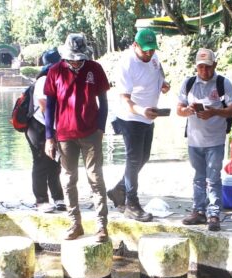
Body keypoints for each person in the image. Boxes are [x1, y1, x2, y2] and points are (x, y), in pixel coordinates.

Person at [43, 33, 110, 242]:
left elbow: (103, 102)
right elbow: (50, 106)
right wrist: (49, 136)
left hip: (91, 132)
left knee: (95, 178)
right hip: (64, 134)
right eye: (72, 59)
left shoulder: (94, 68)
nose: (75, 62)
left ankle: (101, 225)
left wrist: (100, 128)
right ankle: (75, 223)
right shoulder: (55, 71)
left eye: (79, 59)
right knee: (68, 179)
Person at [106, 29, 171, 222]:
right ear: (135, 45)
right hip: (130, 116)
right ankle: (131, 204)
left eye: (152, 49)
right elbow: (125, 100)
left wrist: (163, 84)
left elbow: (157, 73)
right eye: (145, 50)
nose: (149, 53)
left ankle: (119, 190)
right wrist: (142, 111)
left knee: (144, 157)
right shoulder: (126, 64)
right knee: (134, 159)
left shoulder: (153, 57)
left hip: (148, 115)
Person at [177, 48, 232, 232]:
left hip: (215, 140)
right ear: (196, 66)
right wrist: (188, 110)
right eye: (201, 67)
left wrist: (214, 112)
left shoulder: (223, 83)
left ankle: (213, 214)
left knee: (213, 178)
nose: (204, 70)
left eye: (208, 67)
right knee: (198, 177)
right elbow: (179, 109)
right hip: (194, 141)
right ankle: (198, 211)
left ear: (215, 65)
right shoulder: (189, 83)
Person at [25, 48, 65, 213]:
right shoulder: (43, 80)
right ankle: (41, 200)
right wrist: (52, 131)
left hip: (53, 126)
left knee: (55, 162)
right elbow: (44, 107)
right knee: (41, 162)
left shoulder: (58, 78)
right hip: (38, 127)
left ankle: (58, 197)